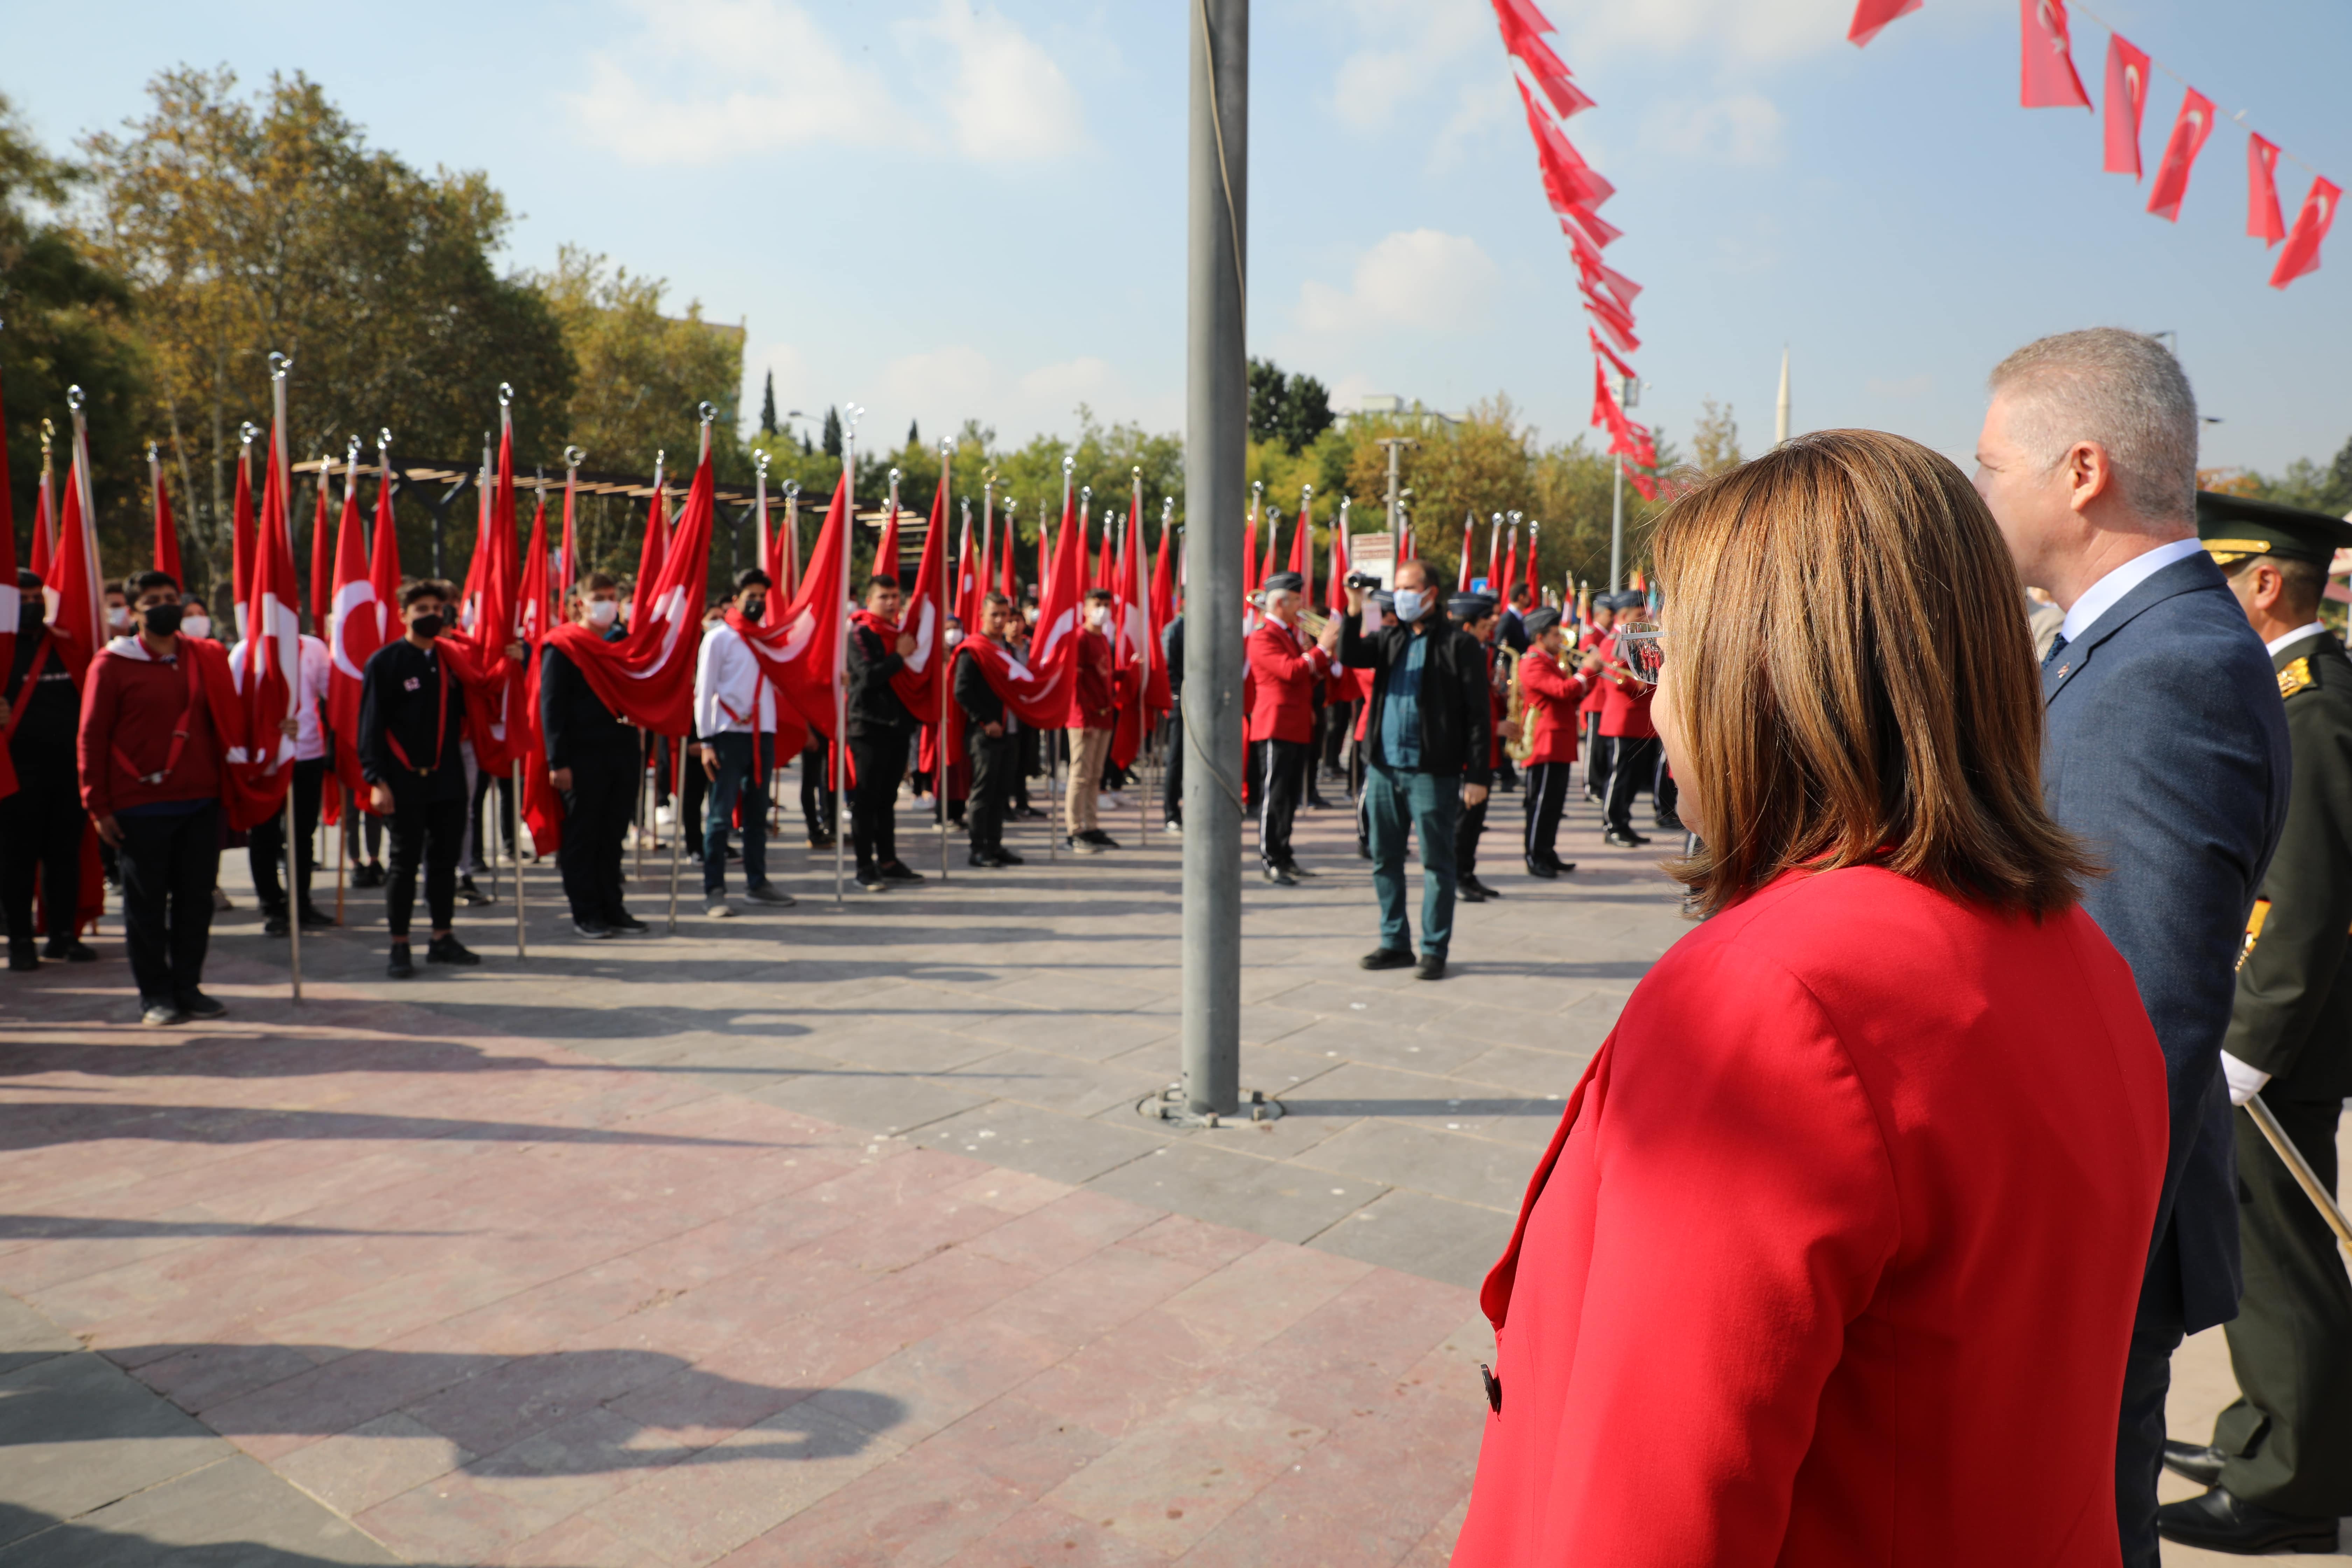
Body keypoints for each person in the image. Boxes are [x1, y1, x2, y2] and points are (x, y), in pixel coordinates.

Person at [1454, 429, 2169, 1568]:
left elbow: (1658, 1514)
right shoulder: (2077, 953)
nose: (1659, 690)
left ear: (1764, 672)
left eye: (1674, 650)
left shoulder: (1771, 996)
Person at [1971, 328, 2289, 1568]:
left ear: (2083, 470)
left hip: (2082, 1249)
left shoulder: (2164, 669)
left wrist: (2042, 1265)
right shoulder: (2133, 645)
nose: (1981, 490)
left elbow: (2135, 1012)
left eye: (1995, 464)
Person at [2157, 493, 2352, 1555]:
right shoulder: (2298, 694)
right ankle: (2266, 1429)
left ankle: (2291, 1482)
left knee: (2279, 1261)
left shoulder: (2311, 706)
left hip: (2278, 1041)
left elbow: (2306, 898)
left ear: (2264, 585)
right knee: (2258, 1248)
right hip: (2271, 1031)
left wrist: (2245, 1044)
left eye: (2220, 578)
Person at [76, 571, 244, 1026]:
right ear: (132, 612)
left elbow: (231, 715)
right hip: (139, 803)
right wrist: (98, 804)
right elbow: (92, 736)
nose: (165, 606)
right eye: (153, 600)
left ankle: (188, 986)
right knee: (147, 904)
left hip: (201, 799)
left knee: (196, 899)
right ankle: (156, 994)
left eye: (171, 598)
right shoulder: (111, 664)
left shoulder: (206, 657)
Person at [1335, 559, 1491, 981]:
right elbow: (1349, 653)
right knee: (1385, 858)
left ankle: (1434, 948)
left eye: (1409, 587)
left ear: (1430, 593)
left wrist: (1478, 775)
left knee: (1438, 863)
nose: (1401, 595)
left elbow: (1479, 715)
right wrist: (1353, 607)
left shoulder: (1460, 645)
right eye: (1397, 587)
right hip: (1385, 769)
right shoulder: (1390, 638)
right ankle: (1394, 942)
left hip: (1432, 773)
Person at [358, 582, 486, 978]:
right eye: (421, 608)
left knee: (444, 863)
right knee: (404, 864)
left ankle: (442, 937)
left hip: (447, 778)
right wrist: (377, 780)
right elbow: (371, 727)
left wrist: (509, 663)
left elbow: (483, 695)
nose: (431, 614)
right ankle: (399, 945)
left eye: (437, 607)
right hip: (403, 780)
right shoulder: (386, 662)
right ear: (403, 615)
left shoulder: (452, 661)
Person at [542, 572, 647, 938]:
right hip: (581, 757)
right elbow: (550, 708)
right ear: (579, 603)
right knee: (583, 836)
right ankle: (586, 912)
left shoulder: (623, 644)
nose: (608, 603)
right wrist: (558, 762)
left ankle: (612, 907)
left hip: (621, 751)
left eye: (612, 596)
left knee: (613, 832)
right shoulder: (561, 646)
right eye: (599, 597)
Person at [2, 570, 94, 969]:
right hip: (17, 774)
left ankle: (63, 935)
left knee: (65, 856)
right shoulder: (3, 650)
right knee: (17, 860)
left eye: (37, 597)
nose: (32, 605)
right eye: (22, 599)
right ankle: (21, 939)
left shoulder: (67, 646)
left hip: (67, 773)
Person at [693, 569, 794, 917]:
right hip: (726, 736)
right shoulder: (719, 638)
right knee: (720, 817)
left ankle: (757, 882)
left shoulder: (768, 639)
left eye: (761, 597)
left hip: (761, 736)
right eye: (750, 596)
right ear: (735, 600)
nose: (756, 603)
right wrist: (705, 739)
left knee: (756, 815)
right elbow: (704, 690)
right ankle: (714, 889)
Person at [232, 610, 334, 937]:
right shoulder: (245, 651)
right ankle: (272, 906)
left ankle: (301, 902)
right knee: (265, 833)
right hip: (267, 759)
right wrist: (267, 728)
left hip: (307, 755)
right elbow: (233, 705)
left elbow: (333, 693)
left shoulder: (314, 648)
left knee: (303, 835)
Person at [1245, 570, 1331, 885]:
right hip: (1275, 724)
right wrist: (1320, 650)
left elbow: (1304, 676)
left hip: (1294, 724)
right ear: (1280, 602)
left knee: (1291, 793)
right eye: (1296, 601)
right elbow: (1289, 672)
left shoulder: (1290, 635)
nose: (1301, 607)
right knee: (1275, 795)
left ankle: (1285, 853)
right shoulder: (1263, 634)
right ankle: (1271, 858)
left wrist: (1321, 659)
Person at [845, 573, 924, 892]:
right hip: (867, 727)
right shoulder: (860, 634)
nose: (892, 602)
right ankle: (865, 866)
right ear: (869, 601)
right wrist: (899, 657)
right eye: (884, 597)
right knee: (866, 800)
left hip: (897, 727)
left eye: (896, 596)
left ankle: (888, 861)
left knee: (887, 799)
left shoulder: (900, 635)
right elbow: (867, 677)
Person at [1514, 605, 1599, 877]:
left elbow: (1571, 696)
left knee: (1554, 803)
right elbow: (1561, 691)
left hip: (1559, 741)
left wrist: (1589, 678)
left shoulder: (1550, 660)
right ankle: (1534, 855)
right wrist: (1585, 673)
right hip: (1544, 743)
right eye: (1555, 635)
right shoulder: (1532, 661)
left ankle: (1547, 851)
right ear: (1540, 637)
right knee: (1541, 803)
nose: (1560, 641)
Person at [953, 592, 1028, 869]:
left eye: (1004, 615)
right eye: (994, 614)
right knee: (983, 792)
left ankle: (995, 845)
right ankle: (978, 848)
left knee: (1002, 791)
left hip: (1011, 731)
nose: (999, 620)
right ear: (982, 616)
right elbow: (961, 691)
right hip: (984, 734)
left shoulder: (1008, 650)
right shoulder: (973, 649)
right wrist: (986, 721)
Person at [1449, 593, 1508, 903]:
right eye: (1487, 624)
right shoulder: (1454, 654)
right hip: (1463, 754)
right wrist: (1494, 727)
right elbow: (1454, 712)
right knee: (1462, 822)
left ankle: (1469, 875)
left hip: (1483, 750)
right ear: (1469, 625)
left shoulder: (1481, 652)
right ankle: (1456, 877)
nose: (1492, 629)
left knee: (1474, 822)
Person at [1596, 592, 1659, 848]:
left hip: (1641, 721)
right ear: (1623, 616)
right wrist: (1645, 683)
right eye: (1639, 614)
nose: (1646, 617)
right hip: (1623, 719)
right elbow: (1617, 676)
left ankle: (1624, 822)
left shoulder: (1642, 638)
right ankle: (1612, 826)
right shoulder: (1614, 640)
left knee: (1633, 778)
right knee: (1620, 777)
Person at [1064, 588, 1120, 853]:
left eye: (1107, 604)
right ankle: (1074, 831)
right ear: (1085, 608)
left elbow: (1103, 675)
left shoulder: (1103, 639)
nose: (1103, 609)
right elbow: (1074, 683)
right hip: (1084, 720)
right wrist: (1081, 717)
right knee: (1080, 775)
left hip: (1104, 717)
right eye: (1097, 604)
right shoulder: (1080, 638)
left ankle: (1091, 825)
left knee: (1096, 776)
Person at [1576, 595, 1615, 800]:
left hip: (1606, 698)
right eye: (1610, 614)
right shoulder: (1592, 634)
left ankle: (1599, 784)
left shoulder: (1608, 634)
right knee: (1593, 747)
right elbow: (1592, 659)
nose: (1613, 618)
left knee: (1602, 747)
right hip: (1595, 697)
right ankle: (1591, 786)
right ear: (1599, 614)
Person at [1160, 608, 1184, 833]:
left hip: (1206, 705)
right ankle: (1171, 813)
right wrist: (1180, 695)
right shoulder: (1175, 629)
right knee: (1176, 759)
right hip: (1181, 701)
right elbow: (1166, 666)